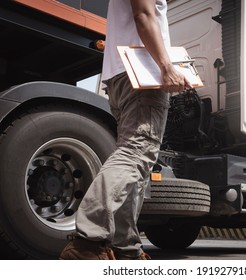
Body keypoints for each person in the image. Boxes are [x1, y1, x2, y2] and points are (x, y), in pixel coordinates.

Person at [59, 0, 191, 260]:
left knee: (136, 166)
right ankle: (88, 239)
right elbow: (144, 15)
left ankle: (125, 245)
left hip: (122, 74)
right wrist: (166, 67)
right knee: (136, 153)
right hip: (143, 76)